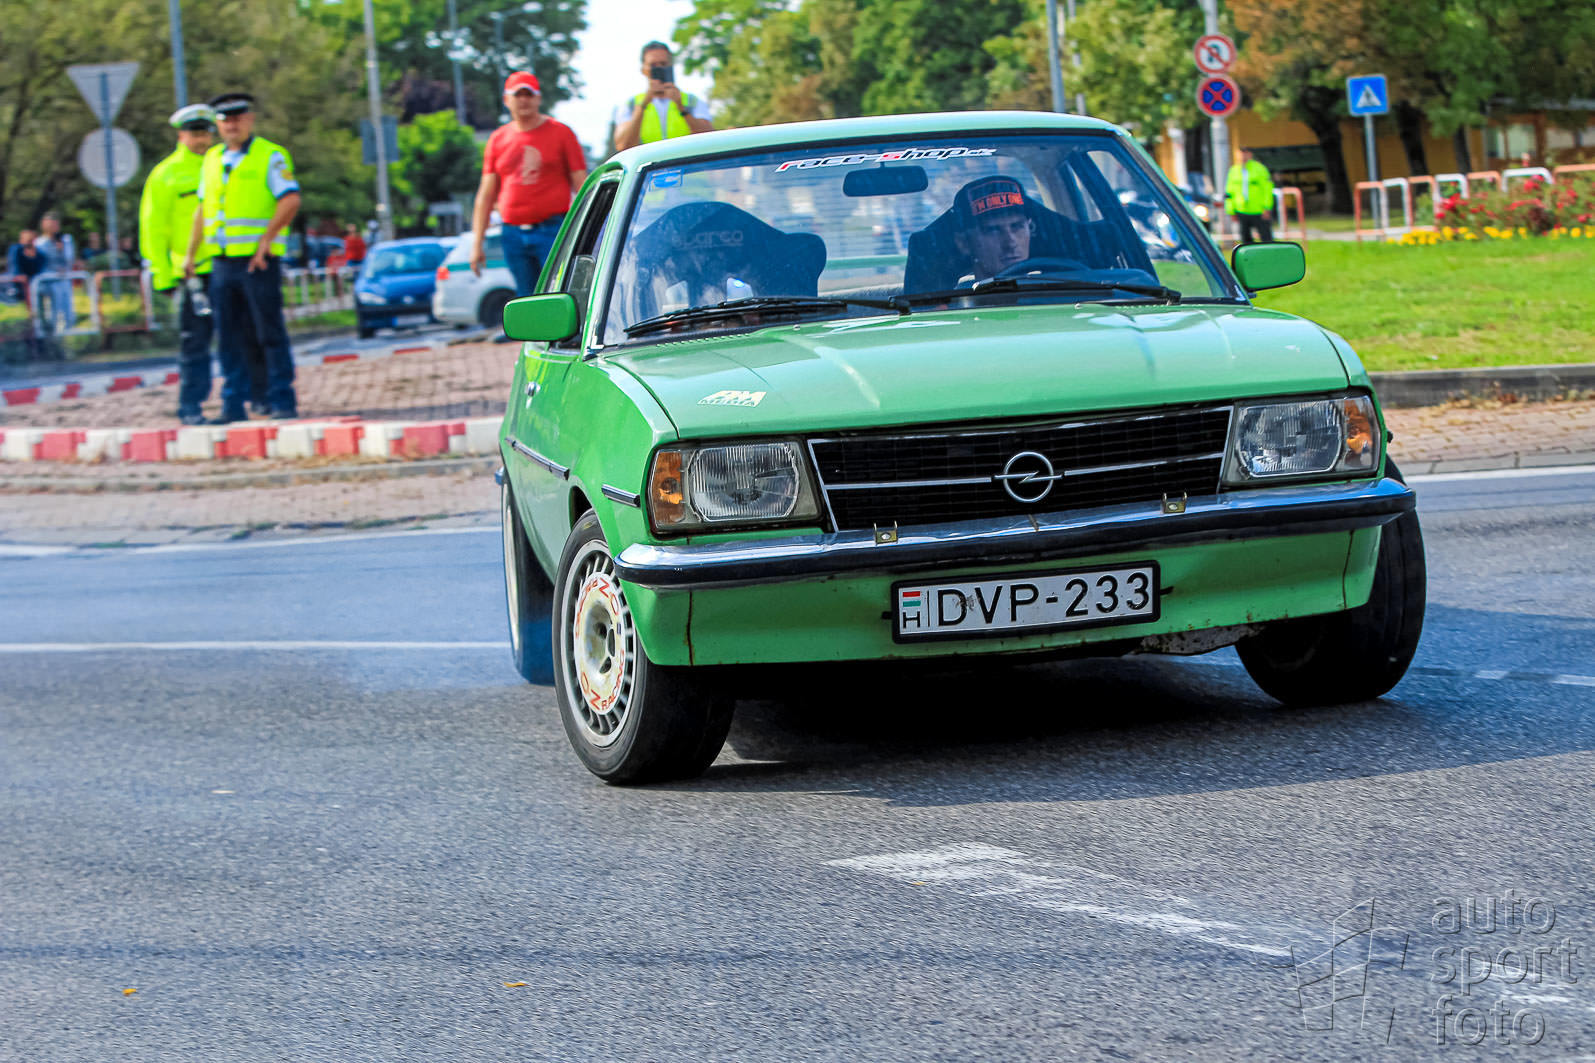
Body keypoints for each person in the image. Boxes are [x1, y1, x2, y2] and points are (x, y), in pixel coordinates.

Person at [183, 91, 301, 422]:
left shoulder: (270, 155)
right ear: (218, 125)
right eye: (225, 120)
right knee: (228, 337)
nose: (231, 125)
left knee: (268, 332)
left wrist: (267, 239)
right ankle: (233, 404)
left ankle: (281, 400)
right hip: (222, 262)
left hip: (256, 261)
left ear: (249, 120)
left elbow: (290, 199)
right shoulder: (212, 159)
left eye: (237, 118)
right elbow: (203, 209)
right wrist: (191, 254)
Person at [470, 72, 587, 307]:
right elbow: (486, 195)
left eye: (529, 94)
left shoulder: (560, 133)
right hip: (512, 233)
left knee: (557, 292)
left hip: (553, 229)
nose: (523, 100)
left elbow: (581, 184)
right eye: (518, 95)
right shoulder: (498, 139)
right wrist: (477, 243)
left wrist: (588, 229)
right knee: (525, 299)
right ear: (507, 100)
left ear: (538, 98)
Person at [141, 103, 218, 425]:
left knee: (242, 338)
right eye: (194, 133)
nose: (200, 140)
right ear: (181, 135)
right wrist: (162, 277)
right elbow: (153, 228)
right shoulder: (166, 174)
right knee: (194, 344)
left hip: (229, 266)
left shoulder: (223, 164)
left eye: (205, 133)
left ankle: (247, 400)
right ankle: (191, 406)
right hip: (192, 274)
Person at [611, 41, 713, 151]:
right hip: (650, 162)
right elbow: (623, 146)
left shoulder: (692, 102)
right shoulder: (630, 105)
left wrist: (682, 108)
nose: (659, 69)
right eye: (653, 65)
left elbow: (709, 140)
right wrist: (643, 106)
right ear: (643, 70)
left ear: (671, 66)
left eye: (663, 64)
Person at [952, 176, 1035, 279]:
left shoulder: (1051, 283)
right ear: (964, 243)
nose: (1010, 244)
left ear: (1030, 228)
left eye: (1017, 226)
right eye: (993, 230)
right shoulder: (954, 291)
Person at [34, 212, 77, 334]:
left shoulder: (65, 240)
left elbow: (70, 259)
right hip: (49, 282)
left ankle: (68, 332)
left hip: (64, 280)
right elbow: (40, 263)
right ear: (44, 225)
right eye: (50, 224)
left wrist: (62, 249)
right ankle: (52, 332)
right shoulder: (39, 243)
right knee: (53, 312)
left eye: (55, 224)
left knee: (68, 310)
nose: (53, 227)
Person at [1225, 146, 1276, 244]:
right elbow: (1229, 192)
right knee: (1245, 240)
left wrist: (1267, 207)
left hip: (1259, 210)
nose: (1243, 157)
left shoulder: (1260, 169)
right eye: (1240, 154)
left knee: (1266, 238)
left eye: (1245, 154)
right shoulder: (1233, 171)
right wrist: (1230, 210)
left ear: (1250, 155)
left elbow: (1267, 189)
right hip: (1241, 209)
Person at [7, 229, 46, 304]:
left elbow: (40, 269)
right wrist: (18, 274)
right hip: (18, 283)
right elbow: (13, 264)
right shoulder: (16, 249)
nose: (28, 242)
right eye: (26, 239)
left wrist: (33, 256)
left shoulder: (40, 253)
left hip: (34, 283)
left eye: (31, 240)